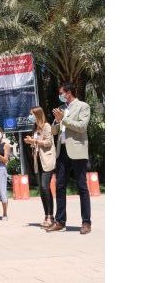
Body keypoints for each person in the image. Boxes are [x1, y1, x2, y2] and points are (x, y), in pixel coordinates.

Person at [46, 82, 92, 235]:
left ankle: (86, 222)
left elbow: (82, 126)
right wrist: (57, 120)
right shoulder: (62, 109)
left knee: (82, 187)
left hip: (77, 151)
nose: (61, 95)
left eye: (62, 93)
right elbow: (54, 131)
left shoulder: (83, 106)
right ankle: (60, 221)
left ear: (69, 92)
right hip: (62, 151)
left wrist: (64, 119)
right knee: (59, 186)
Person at [24, 106, 56, 228]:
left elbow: (48, 142)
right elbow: (36, 144)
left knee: (45, 186)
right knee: (42, 190)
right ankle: (46, 215)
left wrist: (34, 141)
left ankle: (50, 216)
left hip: (47, 161)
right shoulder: (35, 128)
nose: (30, 116)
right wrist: (31, 142)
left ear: (37, 114)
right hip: (38, 161)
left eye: (31, 114)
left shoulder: (47, 126)